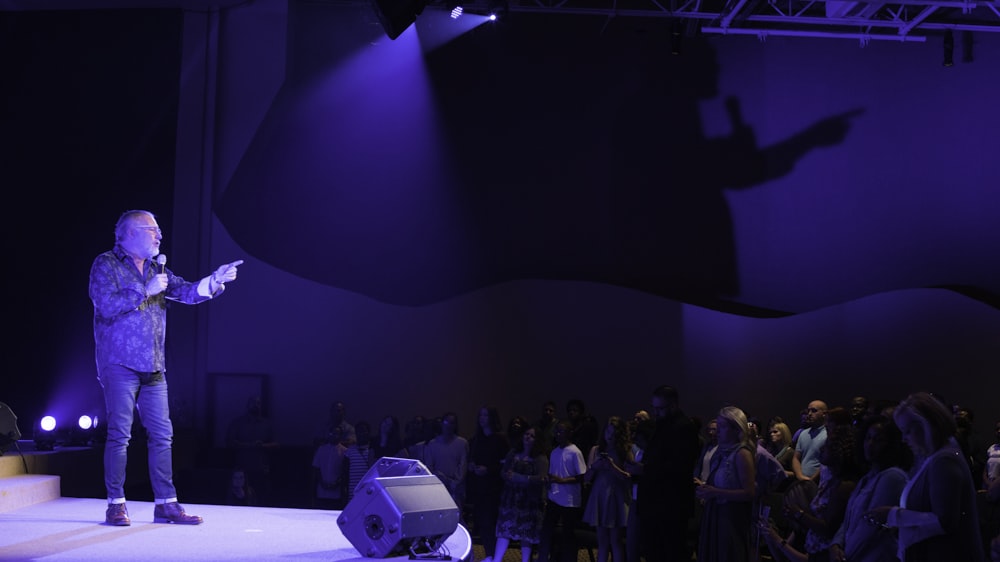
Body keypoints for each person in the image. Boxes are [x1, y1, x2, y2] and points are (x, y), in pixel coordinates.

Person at [90, 209, 242, 526]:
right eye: (152, 229)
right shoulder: (106, 264)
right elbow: (105, 304)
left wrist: (215, 280)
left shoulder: (158, 268)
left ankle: (166, 504)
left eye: (159, 230)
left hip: (154, 365)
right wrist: (144, 291)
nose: (159, 235)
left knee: (163, 436)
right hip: (119, 362)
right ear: (130, 233)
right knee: (120, 434)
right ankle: (116, 504)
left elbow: (185, 292)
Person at [865, 392, 985, 561]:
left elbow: (945, 521)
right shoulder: (937, 456)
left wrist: (893, 516)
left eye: (908, 431)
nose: (904, 439)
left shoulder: (944, 460)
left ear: (926, 426)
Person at [828, 415, 911, 562]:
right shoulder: (867, 477)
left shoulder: (893, 478)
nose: (870, 444)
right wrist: (836, 544)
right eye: (868, 438)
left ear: (891, 444)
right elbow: (849, 520)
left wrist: (846, 554)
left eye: (878, 440)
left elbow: (870, 529)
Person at [634, 385, 700, 562]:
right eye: (654, 407)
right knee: (653, 551)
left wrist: (645, 469)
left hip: (671, 505)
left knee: (670, 553)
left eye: (660, 408)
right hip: (655, 503)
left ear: (673, 406)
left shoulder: (684, 427)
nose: (655, 412)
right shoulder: (661, 425)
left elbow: (680, 466)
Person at [694, 406, 756, 562]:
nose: (717, 431)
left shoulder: (742, 454)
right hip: (715, 513)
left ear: (736, 429)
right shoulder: (721, 452)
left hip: (731, 518)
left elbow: (749, 493)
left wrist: (714, 492)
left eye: (722, 427)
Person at [487, 426, 549, 562]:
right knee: (504, 530)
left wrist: (521, 478)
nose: (528, 437)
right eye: (526, 434)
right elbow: (503, 471)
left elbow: (542, 478)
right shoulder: (514, 452)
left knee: (526, 534)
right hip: (510, 498)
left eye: (532, 436)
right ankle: (497, 560)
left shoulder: (540, 458)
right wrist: (508, 476)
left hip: (529, 500)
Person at [582, 416, 633, 562]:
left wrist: (613, 467)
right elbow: (586, 478)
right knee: (602, 542)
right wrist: (595, 467)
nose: (610, 436)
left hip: (617, 495)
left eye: (614, 433)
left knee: (616, 541)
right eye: (608, 432)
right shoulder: (596, 450)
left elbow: (629, 477)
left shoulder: (624, 451)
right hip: (600, 495)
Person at [537, 420, 588, 562]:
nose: (558, 434)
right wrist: (549, 480)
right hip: (554, 497)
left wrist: (562, 481)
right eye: (556, 431)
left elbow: (581, 476)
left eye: (561, 431)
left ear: (569, 433)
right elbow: (553, 472)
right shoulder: (554, 452)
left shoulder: (575, 452)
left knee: (568, 535)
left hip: (569, 501)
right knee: (547, 531)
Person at [467, 406, 509, 560]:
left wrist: (489, 469)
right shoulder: (476, 438)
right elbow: (472, 457)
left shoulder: (500, 439)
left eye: (486, 415)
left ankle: (493, 554)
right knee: (483, 521)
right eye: (481, 415)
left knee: (491, 520)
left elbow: (505, 464)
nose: (482, 418)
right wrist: (472, 465)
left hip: (494, 486)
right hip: (479, 485)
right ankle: (489, 553)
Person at [226, 395, 279, 506]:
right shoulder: (238, 423)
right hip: (242, 469)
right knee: (240, 499)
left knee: (262, 498)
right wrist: (248, 445)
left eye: (258, 403)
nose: (255, 405)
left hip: (261, 468)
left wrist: (262, 445)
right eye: (253, 402)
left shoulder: (267, 424)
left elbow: (276, 444)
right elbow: (230, 442)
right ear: (247, 405)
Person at [423, 412, 469, 510]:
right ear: (442, 424)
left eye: (452, 423)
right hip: (438, 488)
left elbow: (463, 465)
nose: (449, 426)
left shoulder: (462, 443)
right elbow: (429, 467)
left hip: (456, 490)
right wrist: (444, 480)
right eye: (446, 422)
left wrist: (455, 483)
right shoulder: (432, 444)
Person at [312, 425, 348, 509]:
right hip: (321, 491)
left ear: (341, 435)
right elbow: (316, 468)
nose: (334, 435)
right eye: (332, 433)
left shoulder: (345, 451)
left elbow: (344, 471)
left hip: (337, 493)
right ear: (328, 434)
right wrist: (321, 483)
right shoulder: (321, 449)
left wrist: (336, 483)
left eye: (337, 433)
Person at [792, 400, 828, 481]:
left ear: (824, 414)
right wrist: (799, 476)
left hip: (818, 482)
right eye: (809, 410)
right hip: (801, 480)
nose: (809, 414)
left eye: (814, 410)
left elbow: (825, 464)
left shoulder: (828, 434)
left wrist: (811, 480)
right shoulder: (803, 433)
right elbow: (796, 458)